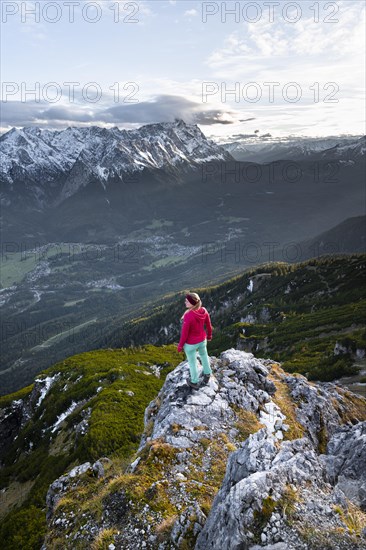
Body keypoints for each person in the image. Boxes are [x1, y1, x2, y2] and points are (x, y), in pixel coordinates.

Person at [177, 292, 213, 389]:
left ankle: (194, 381)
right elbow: (209, 326)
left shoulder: (188, 316)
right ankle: (207, 374)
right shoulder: (204, 311)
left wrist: (180, 346)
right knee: (204, 356)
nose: (185, 302)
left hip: (190, 344)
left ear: (192, 303)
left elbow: (184, 334)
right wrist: (209, 336)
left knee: (192, 362)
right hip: (202, 340)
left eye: (187, 301)